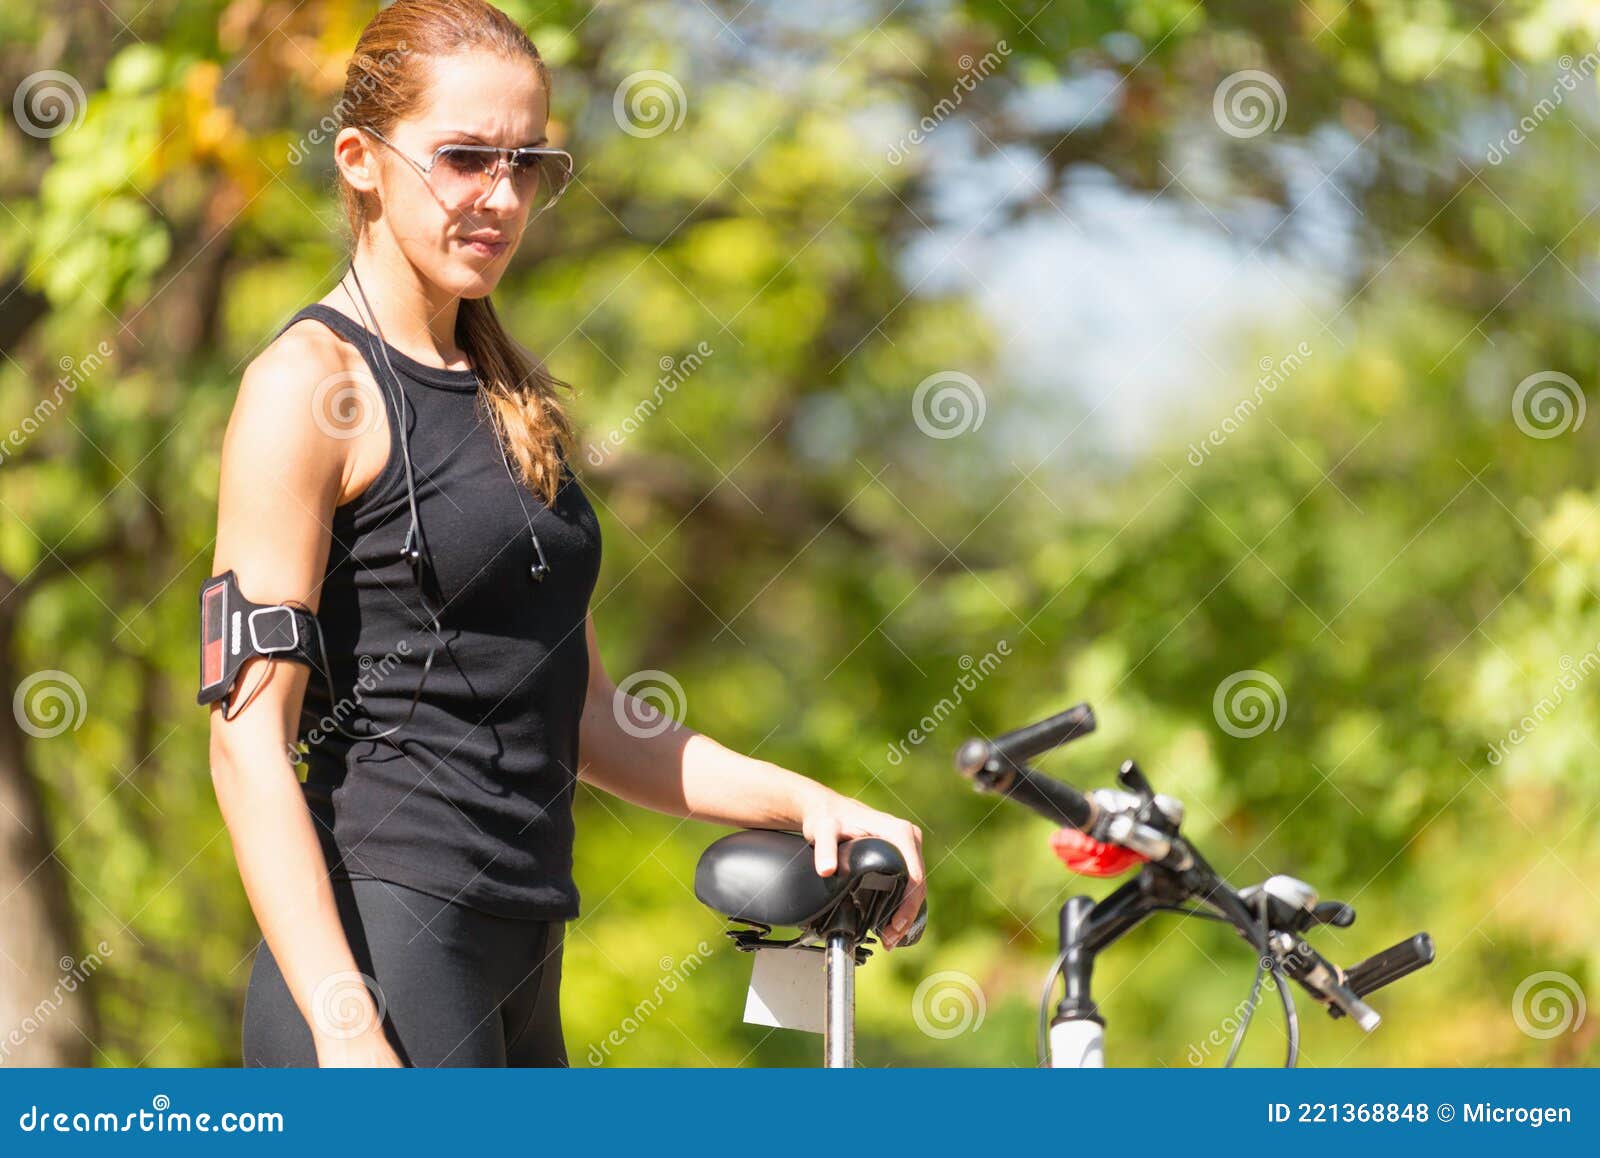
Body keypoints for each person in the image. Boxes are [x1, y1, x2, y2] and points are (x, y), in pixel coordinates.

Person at [205, 0, 925, 1068]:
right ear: (358, 158)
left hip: (523, 951)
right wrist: (349, 1032)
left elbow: (587, 717)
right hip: (378, 955)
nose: (500, 197)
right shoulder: (310, 387)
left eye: (526, 162)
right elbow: (245, 745)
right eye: (462, 159)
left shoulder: (509, 395)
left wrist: (803, 800)